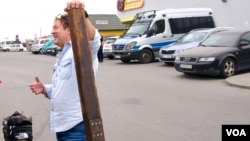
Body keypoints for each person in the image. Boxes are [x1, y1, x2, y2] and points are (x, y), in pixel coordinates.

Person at [28, 0, 101, 141]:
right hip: (63, 128)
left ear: (69, 29)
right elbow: (63, 88)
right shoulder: (63, 55)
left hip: (77, 128)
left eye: (56, 27)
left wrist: (81, 15)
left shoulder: (80, 51)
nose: (52, 31)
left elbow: (94, 41)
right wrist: (44, 89)